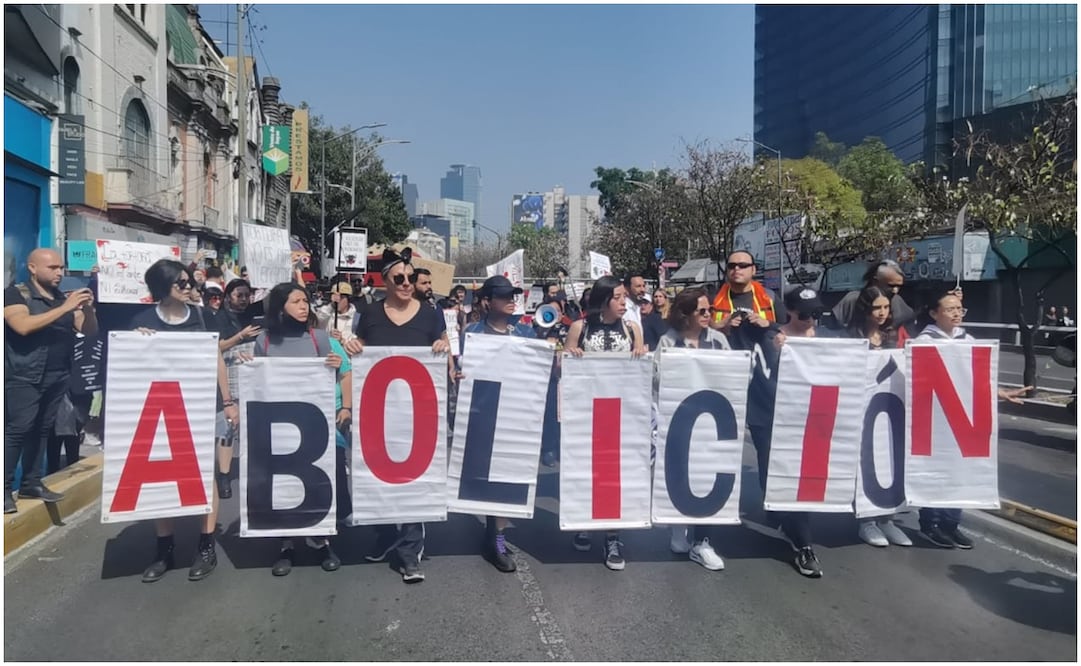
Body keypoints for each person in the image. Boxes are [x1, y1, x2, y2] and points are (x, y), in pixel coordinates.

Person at [343, 248, 450, 584]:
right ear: (385, 282)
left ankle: (409, 553)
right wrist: (353, 347)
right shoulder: (370, 313)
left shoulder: (431, 314)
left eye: (410, 277)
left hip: (418, 414)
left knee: (415, 480)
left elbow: (444, 343)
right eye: (399, 279)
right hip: (381, 412)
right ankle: (386, 535)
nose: (406, 284)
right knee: (381, 477)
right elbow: (359, 347)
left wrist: (444, 348)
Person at [129, 259, 239, 582]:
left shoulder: (204, 317)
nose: (190, 287)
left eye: (192, 282)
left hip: (204, 405)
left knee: (206, 474)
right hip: (163, 409)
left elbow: (216, 357)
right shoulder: (142, 320)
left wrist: (228, 401)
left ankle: (206, 545)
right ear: (162, 288)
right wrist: (137, 343)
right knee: (163, 474)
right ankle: (164, 548)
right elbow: (131, 366)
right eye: (182, 283)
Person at [914, 290, 1031, 550]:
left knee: (960, 472)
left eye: (960, 309)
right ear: (934, 314)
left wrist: (999, 392)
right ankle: (930, 522)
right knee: (937, 471)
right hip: (935, 420)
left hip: (962, 419)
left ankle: (951, 524)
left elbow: (977, 378)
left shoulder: (967, 340)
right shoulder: (923, 343)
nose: (957, 313)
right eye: (950, 309)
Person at [253, 282, 348, 576]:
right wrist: (248, 367)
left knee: (318, 484)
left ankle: (322, 540)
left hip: (315, 425)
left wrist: (344, 406)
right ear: (280, 307)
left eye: (305, 300)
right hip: (279, 426)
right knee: (283, 483)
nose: (303, 306)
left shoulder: (319, 338)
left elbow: (344, 372)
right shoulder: (265, 342)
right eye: (295, 301)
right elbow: (258, 381)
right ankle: (286, 543)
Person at [4, 248, 97, 513]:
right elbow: (22, 325)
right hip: (25, 375)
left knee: (41, 429)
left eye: (61, 267)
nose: (59, 273)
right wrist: (66, 307)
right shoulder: (15, 294)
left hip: (57, 375)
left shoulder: (60, 298)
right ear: (32, 268)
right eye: (52, 268)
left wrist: (88, 310)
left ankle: (31, 482)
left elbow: (88, 330)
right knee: (17, 430)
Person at [564, 275, 648, 571]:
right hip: (586, 414)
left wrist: (641, 354)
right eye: (618, 297)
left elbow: (643, 371)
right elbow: (562, 370)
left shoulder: (633, 328)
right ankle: (583, 520)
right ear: (604, 300)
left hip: (620, 415)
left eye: (625, 296)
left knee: (615, 475)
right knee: (585, 468)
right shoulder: (580, 327)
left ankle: (613, 536)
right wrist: (570, 355)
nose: (624, 302)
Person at [460, 275, 539, 572]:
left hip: (516, 413)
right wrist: (459, 375)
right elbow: (465, 371)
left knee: (508, 476)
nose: (511, 300)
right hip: (484, 414)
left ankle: (497, 536)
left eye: (513, 295)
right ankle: (494, 533)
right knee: (487, 478)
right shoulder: (473, 334)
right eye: (504, 295)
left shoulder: (526, 334)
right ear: (487, 301)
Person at [750, 285, 824, 578]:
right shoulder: (770, 339)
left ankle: (803, 543)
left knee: (800, 482)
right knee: (776, 477)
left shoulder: (828, 339)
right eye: (804, 314)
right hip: (772, 419)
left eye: (816, 313)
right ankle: (790, 525)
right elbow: (759, 378)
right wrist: (780, 355)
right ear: (790, 312)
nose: (810, 319)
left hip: (811, 422)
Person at [656, 287, 729, 571]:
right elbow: (657, 380)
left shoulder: (719, 341)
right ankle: (678, 530)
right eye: (702, 311)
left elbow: (739, 376)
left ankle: (704, 542)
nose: (709, 315)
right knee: (681, 476)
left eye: (710, 310)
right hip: (681, 422)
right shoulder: (668, 342)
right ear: (685, 314)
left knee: (710, 479)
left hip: (714, 424)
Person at [843, 286, 912, 548]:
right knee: (867, 462)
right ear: (865, 310)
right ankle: (867, 522)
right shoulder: (851, 338)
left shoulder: (896, 336)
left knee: (892, 462)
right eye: (876, 308)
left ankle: (887, 520)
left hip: (893, 409)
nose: (882, 313)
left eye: (886, 308)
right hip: (863, 412)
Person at [831, 260, 916, 337]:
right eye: (890, 285)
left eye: (899, 286)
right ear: (875, 281)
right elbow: (832, 332)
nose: (895, 290)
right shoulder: (851, 300)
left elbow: (909, 333)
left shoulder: (898, 303)